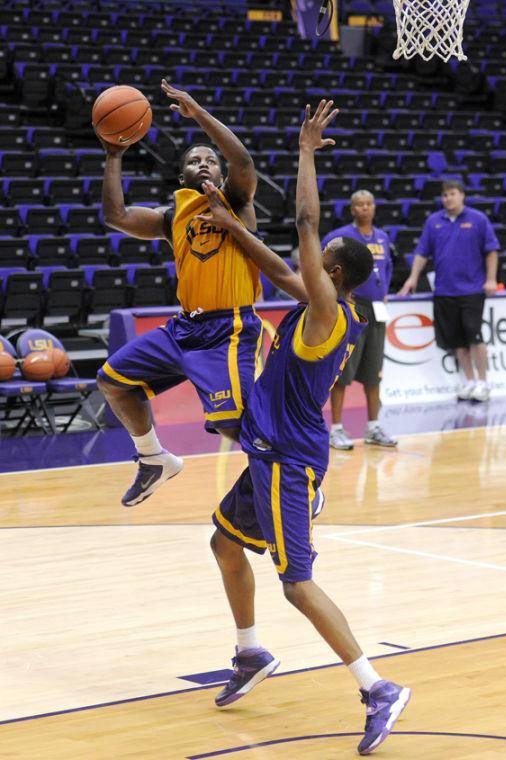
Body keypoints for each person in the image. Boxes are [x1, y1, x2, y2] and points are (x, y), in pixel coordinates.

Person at [203, 100, 411, 757]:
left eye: (322, 260)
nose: (312, 261)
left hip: (288, 462)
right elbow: (275, 264)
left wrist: (304, 152)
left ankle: (376, 686)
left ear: (337, 276)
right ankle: (248, 653)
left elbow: (303, 221)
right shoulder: (321, 299)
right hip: (271, 455)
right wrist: (229, 225)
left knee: (296, 581)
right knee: (224, 542)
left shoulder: (325, 312)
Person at [96, 79, 276, 506]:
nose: (203, 164)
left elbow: (244, 160)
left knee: (235, 426)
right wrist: (114, 155)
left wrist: (198, 114)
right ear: (182, 175)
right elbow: (115, 215)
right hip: (185, 328)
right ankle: (153, 459)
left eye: (210, 160)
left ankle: (290, 481)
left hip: (229, 327)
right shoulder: (172, 214)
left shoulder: (237, 200)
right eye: (194, 160)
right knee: (113, 381)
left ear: (220, 172)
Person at [399, 180, 500, 402]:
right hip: (444, 291)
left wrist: (491, 279)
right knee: (457, 342)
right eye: (445, 195)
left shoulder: (478, 219)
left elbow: (491, 251)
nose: (448, 198)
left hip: (472, 290)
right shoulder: (433, 222)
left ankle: (484, 383)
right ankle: (469, 382)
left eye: (452, 194)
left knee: (475, 336)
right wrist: (413, 278)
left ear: (462, 195)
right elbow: (422, 253)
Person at [322, 190, 397, 450]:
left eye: (368, 204)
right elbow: (323, 266)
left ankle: (373, 427)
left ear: (374, 208)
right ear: (352, 209)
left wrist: (385, 292)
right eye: (359, 205)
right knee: (343, 373)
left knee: (374, 372)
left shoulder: (383, 238)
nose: (364, 208)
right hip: (352, 310)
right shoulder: (339, 237)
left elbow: (387, 269)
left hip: (377, 311)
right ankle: (336, 429)